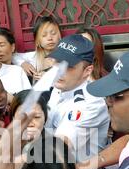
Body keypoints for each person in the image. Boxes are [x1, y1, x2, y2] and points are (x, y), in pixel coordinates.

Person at [46, 34, 110, 162]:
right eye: (58, 61)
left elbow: (59, 145)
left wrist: (16, 162)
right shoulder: (60, 87)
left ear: (87, 71)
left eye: (69, 66)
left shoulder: (92, 102)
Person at [13, 16, 62, 83]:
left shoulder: (66, 55)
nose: (50, 38)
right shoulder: (34, 57)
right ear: (37, 41)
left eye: (53, 33)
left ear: (60, 36)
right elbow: (13, 56)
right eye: (44, 35)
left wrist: (49, 77)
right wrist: (23, 63)